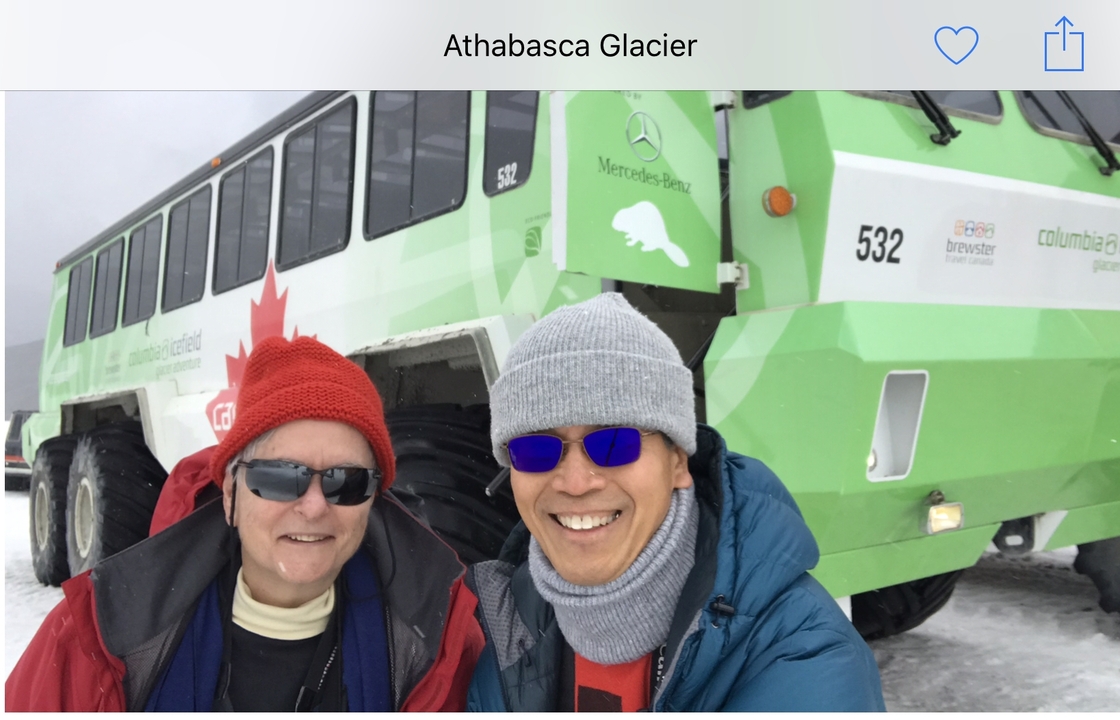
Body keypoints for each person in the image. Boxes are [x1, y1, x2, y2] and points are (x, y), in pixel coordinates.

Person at [6, 336, 483, 711]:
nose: (315, 506)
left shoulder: (440, 642)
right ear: (230, 493)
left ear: (373, 499)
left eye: (346, 482)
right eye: (279, 478)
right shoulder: (98, 636)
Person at [465, 293, 885, 711]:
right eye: (535, 449)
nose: (575, 482)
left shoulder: (800, 657)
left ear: (678, 461)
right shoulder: (504, 627)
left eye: (614, 442)